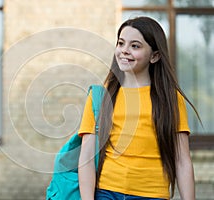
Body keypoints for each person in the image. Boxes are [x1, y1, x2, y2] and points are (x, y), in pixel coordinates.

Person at [78, 16, 197, 200]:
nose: (124, 51)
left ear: (155, 56)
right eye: (121, 43)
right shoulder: (100, 97)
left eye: (135, 46)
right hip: (106, 192)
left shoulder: (171, 99)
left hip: (152, 194)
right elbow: (86, 155)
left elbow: (182, 160)